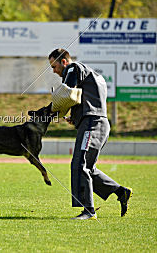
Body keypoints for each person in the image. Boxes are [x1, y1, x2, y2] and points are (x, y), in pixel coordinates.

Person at [48, 48, 132, 220]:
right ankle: (120, 191)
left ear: (64, 62)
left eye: (54, 66)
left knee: (81, 165)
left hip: (93, 124)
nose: (54, 71)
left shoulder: (73, 68)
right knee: (88, 168)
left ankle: (89, 211)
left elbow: (66, 94)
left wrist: (47, 111)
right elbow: (82, 98)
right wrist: (76, 116)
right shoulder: (88, 73)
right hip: (96, 123)